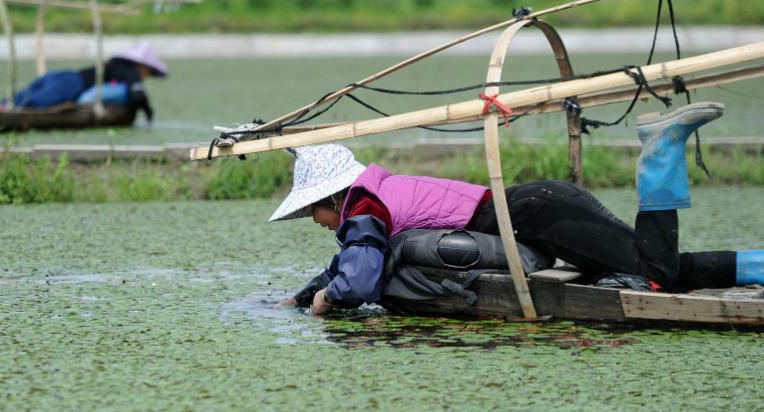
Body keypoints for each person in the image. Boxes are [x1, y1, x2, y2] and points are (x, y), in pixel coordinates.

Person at [271, 102, 764, 315]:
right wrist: (302, 295)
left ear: (332, 197)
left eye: (315, 211)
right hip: (539, 208)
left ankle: (661, 153)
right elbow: (351, 259)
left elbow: (358, 276)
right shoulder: (373, 196)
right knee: (657, 268)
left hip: (537, 214)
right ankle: (756, 265)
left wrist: (329, 302)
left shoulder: (363, 206)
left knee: (652, 273)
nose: (316, 222)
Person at [0, 43, 168, 122]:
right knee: (18, 107)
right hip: (69, 85)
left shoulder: (115, 66)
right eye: (147, 72)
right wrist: (148, 112)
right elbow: (138, 93)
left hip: (58, 77)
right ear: (142, 67)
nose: (145, 76)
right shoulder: (130, 71)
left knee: (7, 102)